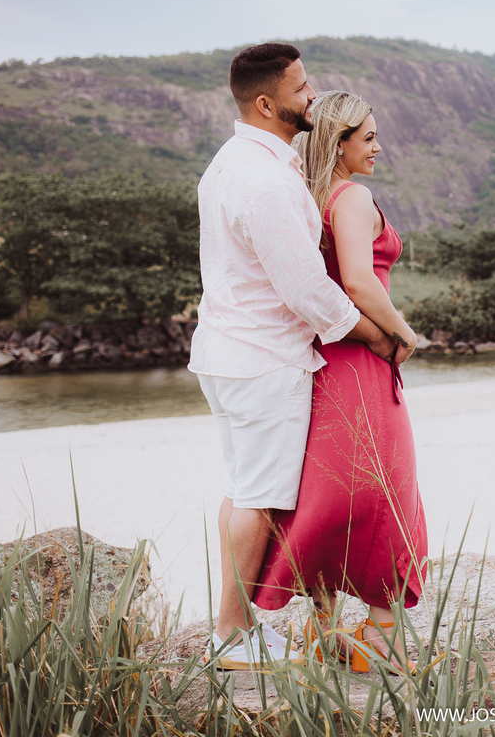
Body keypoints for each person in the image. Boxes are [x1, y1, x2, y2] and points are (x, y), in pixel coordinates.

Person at [191, 44, 397, 671]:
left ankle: (234, 624)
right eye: (302, 88)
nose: (311, 96)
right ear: (266, 102)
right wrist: (377, 335)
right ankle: (230, 635)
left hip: (224, 353)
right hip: (264, 360)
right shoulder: (266, 180)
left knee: (240, 490)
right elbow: (307, 289)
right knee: (260, 496)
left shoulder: (226, 164)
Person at [252, 90, 426, 674]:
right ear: (342, 141)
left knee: (327, 488)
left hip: (324, 356)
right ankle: (380, 635)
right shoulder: (351, 197)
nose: (378, 147)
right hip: (359, 359)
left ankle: (325, 631)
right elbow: (357, 280)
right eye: (369, 137)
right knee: (388, 486)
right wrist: (404, 333)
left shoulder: (307, 198)